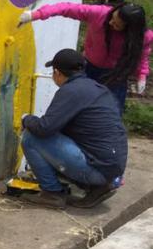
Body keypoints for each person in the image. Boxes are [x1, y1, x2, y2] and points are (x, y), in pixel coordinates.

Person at [20, 49, 128, 209]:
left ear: (56, 72)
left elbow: (44, 128)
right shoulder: (97, 88)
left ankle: (52, 193)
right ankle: (97, 187)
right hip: (113, 168)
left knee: (31, 137)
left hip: (98, 169)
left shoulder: (70, 91)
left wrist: (26, 119)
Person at [20, 2, 151, 113]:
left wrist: (142, 75)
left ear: (129, 29)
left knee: (111, 111)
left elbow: (141, 55)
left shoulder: (143, 37)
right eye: (112, 17)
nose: (110, 22)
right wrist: (35, 15)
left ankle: (107, 139)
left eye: (116, 24)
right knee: (76, 106)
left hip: (115, 75)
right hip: (88, 68)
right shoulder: (99, 14)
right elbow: (66, 8)